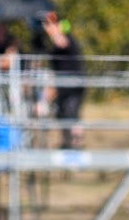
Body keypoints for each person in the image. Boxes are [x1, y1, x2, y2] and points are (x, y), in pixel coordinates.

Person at [34, 10, 85, 148]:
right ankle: (68, 144)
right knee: (62, 116)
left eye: (52, 24)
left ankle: (76, 146)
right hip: (61, 86)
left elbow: (61, 42)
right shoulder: (53, 44)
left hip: (73, 86)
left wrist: (52, 29)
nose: (49, 27)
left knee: (72, 116)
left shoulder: (67, 39)